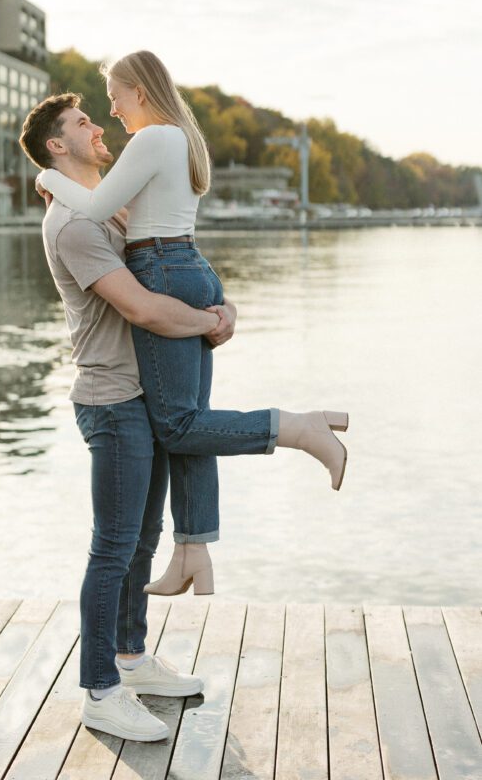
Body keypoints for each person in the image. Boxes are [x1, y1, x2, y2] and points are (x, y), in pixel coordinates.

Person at [19, 91, 349, 742]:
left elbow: (169, 265)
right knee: (112, 549)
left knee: (139, 543)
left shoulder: (108, 205)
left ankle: (130, 658)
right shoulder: (75, 224)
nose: (97, 125)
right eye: (82, 123)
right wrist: (206, 321)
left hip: (146, 399)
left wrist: (220, 312)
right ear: (58, 145)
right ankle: (100, 690)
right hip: (112, 403)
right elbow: (141, 308)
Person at [36, 51, 349, 598]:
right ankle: (192, 549)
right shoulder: (180, 138)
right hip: (184, 261)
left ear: (139, 89)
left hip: (163, 268)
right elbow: (128, 216)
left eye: (114, 96)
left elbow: (92, 206)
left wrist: (47, 179)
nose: (111, 109)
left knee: (179, 426)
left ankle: (300, 428)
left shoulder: (152, 139)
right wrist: (216, 306)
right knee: (192, 422)